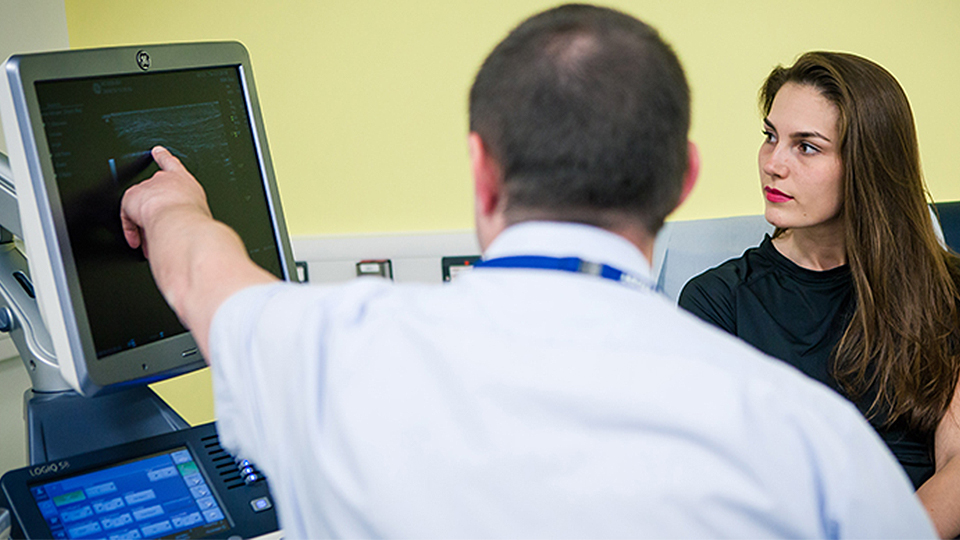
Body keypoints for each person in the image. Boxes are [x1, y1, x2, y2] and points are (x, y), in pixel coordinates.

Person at [120, 6, 934, 538]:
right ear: (682, 178)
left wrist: (170, 207)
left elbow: (202, 273)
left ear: (480, 170)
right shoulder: (808, 439)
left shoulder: (332, 351)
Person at [679, 51, 960, 537]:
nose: (773, 164)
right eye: (770, 137)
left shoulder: (946, 290)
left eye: (806, 147)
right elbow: (721, 487)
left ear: (866, 164)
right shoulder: (717, 302)